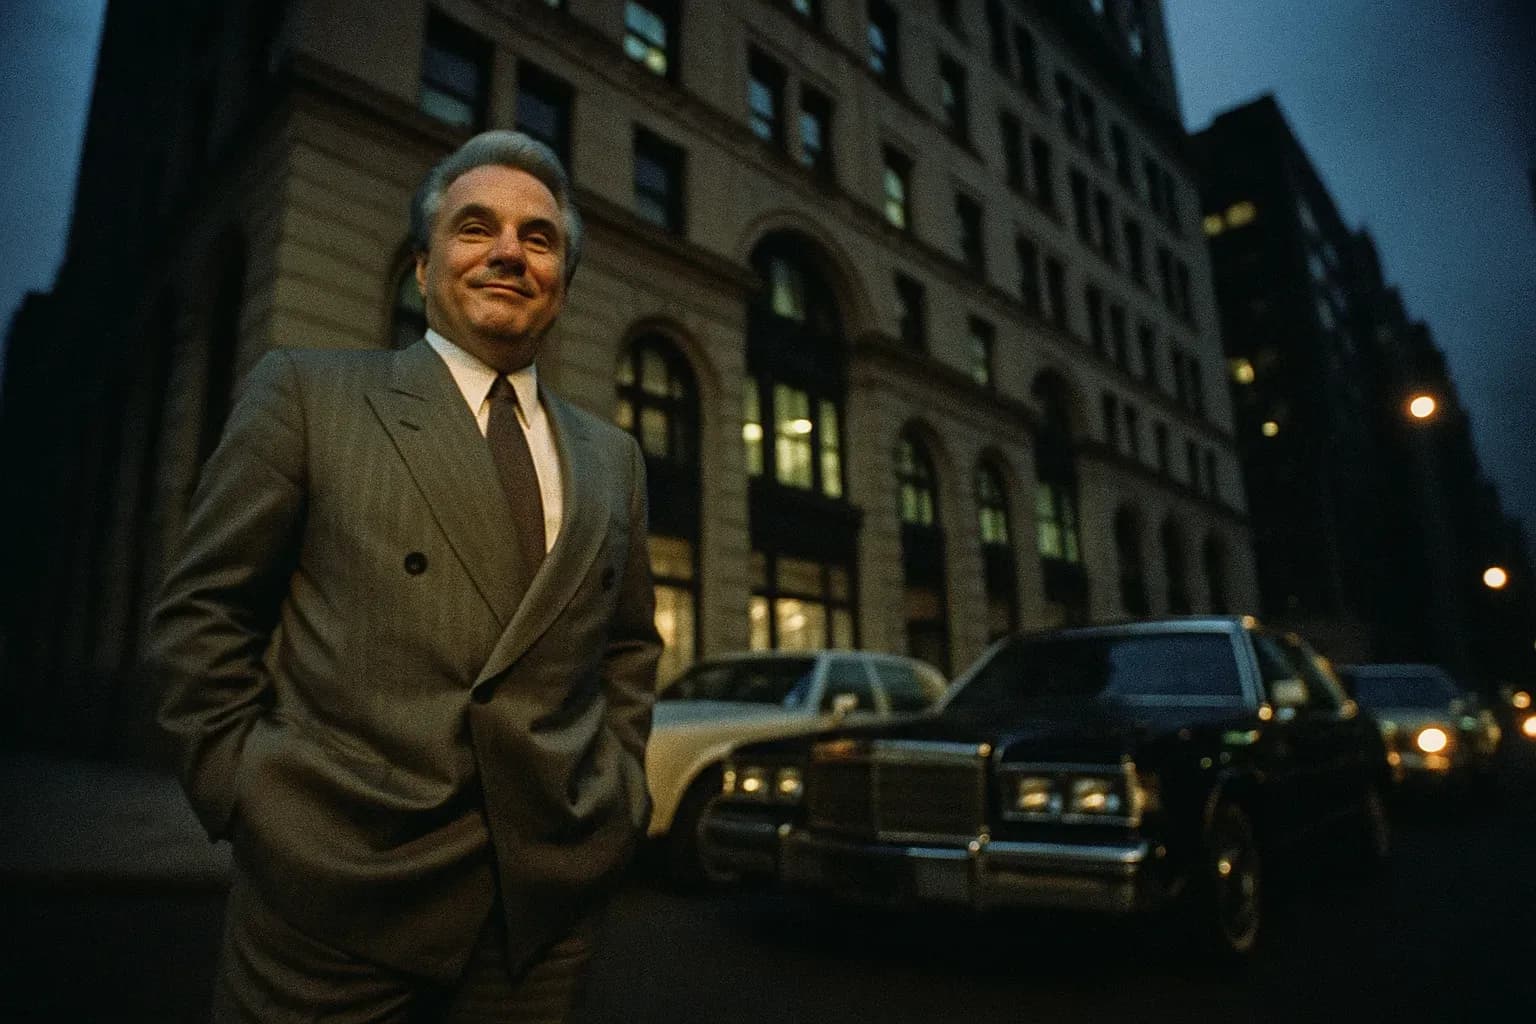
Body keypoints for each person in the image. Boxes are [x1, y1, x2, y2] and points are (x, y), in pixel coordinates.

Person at [151, 129, 661, 1023]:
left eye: (538, 239)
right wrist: (253, 802)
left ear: (563, 284)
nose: (509, 251)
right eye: (476, 228)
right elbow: (204, 617)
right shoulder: (308, 395)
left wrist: (617, 799)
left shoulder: (613, 458)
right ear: (422, 269)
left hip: (539, 920)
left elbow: (624, 649)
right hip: (334, 907)